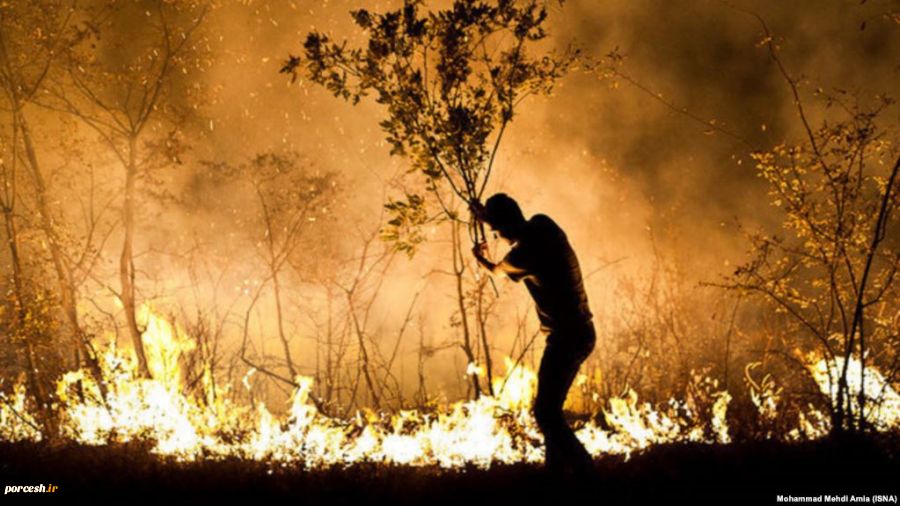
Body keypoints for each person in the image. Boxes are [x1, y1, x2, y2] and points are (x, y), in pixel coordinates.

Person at [471, 193, 596, 477]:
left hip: (567, 337)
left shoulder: (523, 253)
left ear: (503, 227)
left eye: (496, 231)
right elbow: (512, 232)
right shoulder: (543, 224)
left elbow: (497, 271)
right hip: (580, 331)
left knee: (545, 413)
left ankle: (585, 471)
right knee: (550, 408)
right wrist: (486, 215)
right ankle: (556, 472)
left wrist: (481, 259)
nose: (498, 237)